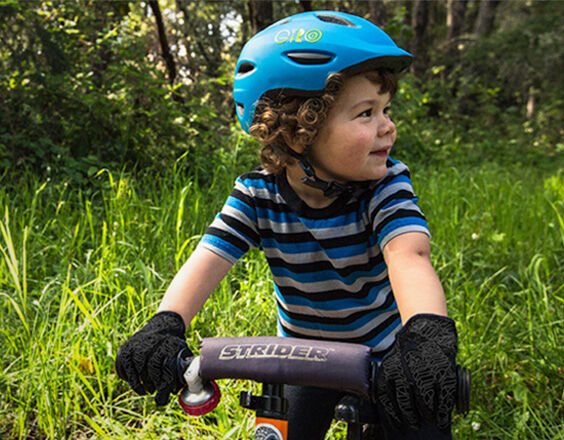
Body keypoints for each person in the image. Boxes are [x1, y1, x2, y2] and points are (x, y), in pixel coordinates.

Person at [115, 10, 459, 440]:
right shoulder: (257, 195)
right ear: (298, 132)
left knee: (421, 420)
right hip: (303, 356)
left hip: (387, 352)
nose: (389, 126)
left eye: (385, 109)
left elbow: (409, 256)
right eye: (367, 113)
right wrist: (165, 324)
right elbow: (207, 260)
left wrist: (426, 335)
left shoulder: (386, 185)